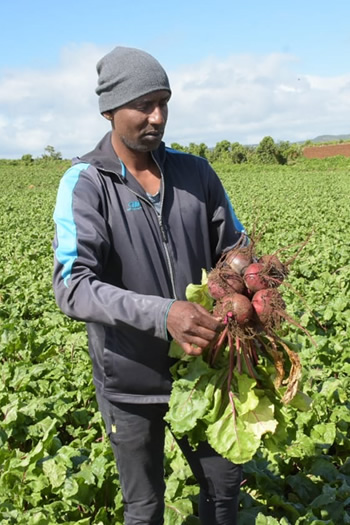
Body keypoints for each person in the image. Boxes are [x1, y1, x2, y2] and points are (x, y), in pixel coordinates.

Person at [53, 46, 246, 525]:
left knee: (223, 494)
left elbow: (234, 245)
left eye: (164, 102)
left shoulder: (195, 172)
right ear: (109, 108)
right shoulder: (86, 183)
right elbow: (73, 286)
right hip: (130, 383)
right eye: (144, 104)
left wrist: (248, 270)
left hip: (205, 372)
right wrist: (164, 313)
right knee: (144, 508)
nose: (157, 116)